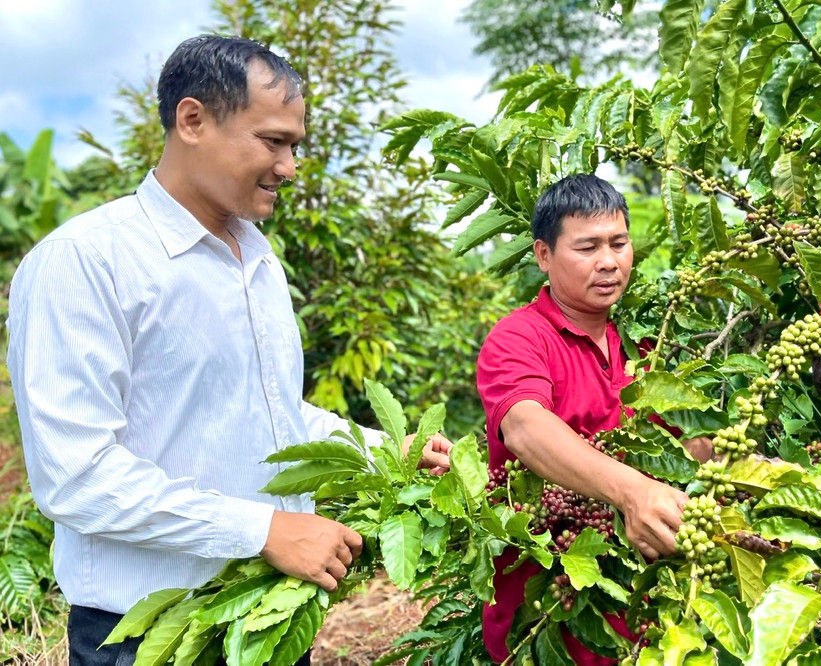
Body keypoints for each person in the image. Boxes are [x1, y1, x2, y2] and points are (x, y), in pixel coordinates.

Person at [6, 35, 451, 665]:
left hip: (267, 616)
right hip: (144, 637)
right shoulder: (85, 261)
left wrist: (384, 451)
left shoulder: (257, 258)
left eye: (295, 146)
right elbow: (77, 474)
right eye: (272, 142)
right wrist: (263, 529)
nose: (290, 167)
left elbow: (266, 412)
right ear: (192, 120)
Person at [476, 174, 711, 664]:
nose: (608, 262)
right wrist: (633, 491)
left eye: (618, 243)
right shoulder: (519, 338)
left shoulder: (648, 346)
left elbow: (682, 453)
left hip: (645, 614)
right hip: (550, 618)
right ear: (544, 255)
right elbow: (525, 425)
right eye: (587, 247)